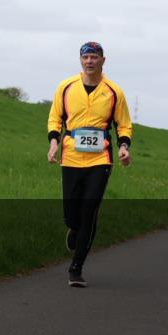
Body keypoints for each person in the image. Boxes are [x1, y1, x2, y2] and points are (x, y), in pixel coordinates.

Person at [47, 41, 133, 288]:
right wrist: (54, 143)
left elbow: (123, 124)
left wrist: (124, 147)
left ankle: (77, 267)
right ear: (80, 60)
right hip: (71, 156)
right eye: (86, 57)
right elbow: (55, 118)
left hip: (100, 158)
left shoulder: (114, 91)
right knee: (72, 214)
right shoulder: (66, 87)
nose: (90, 61)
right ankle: (73, 229)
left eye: (95, 57)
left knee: (89, 211)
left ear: (103, 61)